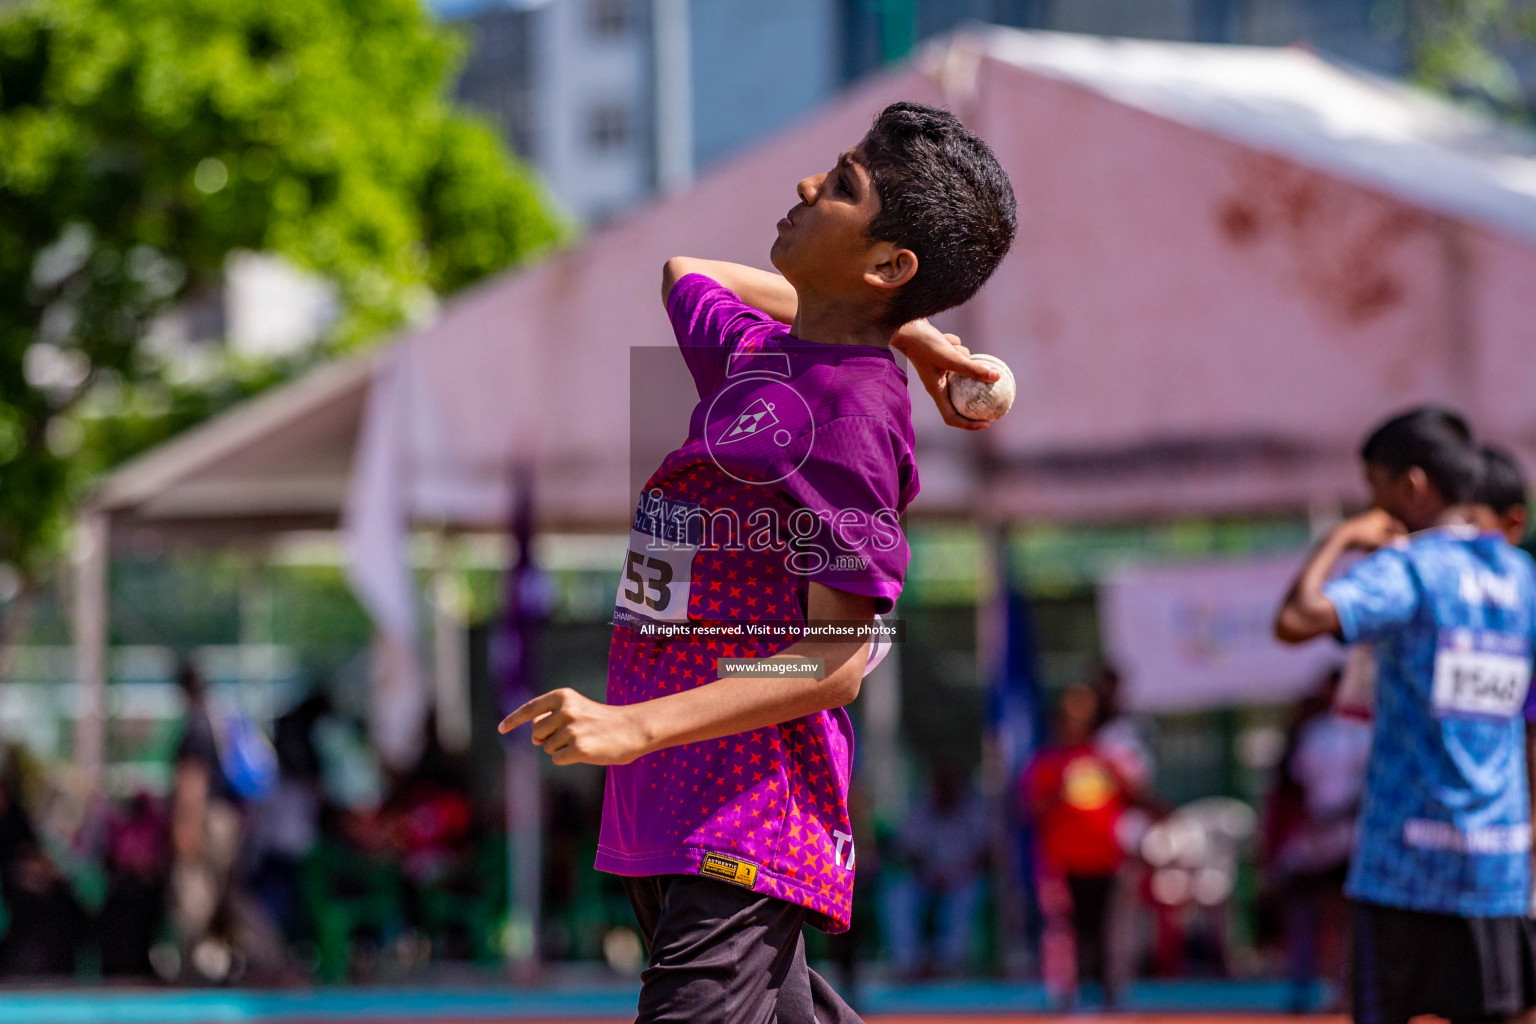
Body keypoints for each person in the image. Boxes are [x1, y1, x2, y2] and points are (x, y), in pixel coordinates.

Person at [499, 101, 1017, 1023]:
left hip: (743, 818)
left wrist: (635, 726)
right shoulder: (758, 356)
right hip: (668, 811)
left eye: (843, 187)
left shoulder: (853, 415)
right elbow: (685, 271)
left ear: (887, 263)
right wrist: (911, 330)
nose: (806, 185)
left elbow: (836, 658)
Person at [1275, 407, 1536, 1024]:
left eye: (1376, 487)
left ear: (1413, 486)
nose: (1376, 504)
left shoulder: (1410, 568)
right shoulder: (1523, 577)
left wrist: (1341, 538)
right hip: (1496, 863)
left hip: (1402, 867)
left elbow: (1294, 621)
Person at [1022, 685, 1133, 1008]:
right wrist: (1058, 791)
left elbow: (1132, 795)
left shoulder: (1107, 760)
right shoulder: (1047, 763)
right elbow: (1030, 810)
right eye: (1069, 718)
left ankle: (1111, 990)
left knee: (1106, 930)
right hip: (1062, 861)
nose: (1076, 725)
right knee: (1062, 930)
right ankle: (1064, 991)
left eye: (1084, 718)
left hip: (1104, 860)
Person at [884, 764, 991, 979]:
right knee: (898, 895)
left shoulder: (972, 809)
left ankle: (950, 963)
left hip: (962, 879)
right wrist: (929, 871)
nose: (943, 788)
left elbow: (985, 852)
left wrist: (955, 873)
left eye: (948, 782)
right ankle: (908, 963)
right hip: (927, 879)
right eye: (939, 783)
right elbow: (904, 849)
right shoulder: (922, 807)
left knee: (967, 895)